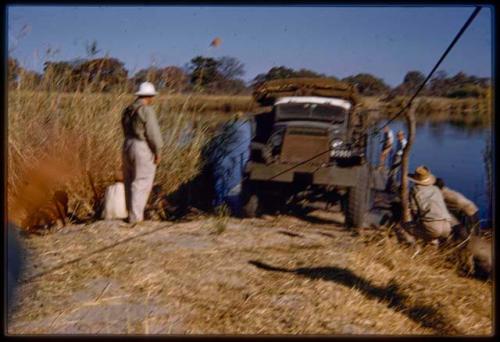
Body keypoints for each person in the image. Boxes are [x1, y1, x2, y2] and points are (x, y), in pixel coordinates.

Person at [121, 82, 163, 224]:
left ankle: (130, 213)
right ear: (150, 96)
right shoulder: (146, 110)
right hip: (141, 146)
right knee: (142, 181)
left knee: (129, 180)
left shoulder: (128, 109)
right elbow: (153, 133)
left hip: (127, 144)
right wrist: (158, 151)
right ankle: (136, 218)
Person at [407, 166, 453, 245]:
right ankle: (434, 244)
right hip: (447, 226)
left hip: (433, 227)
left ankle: (413, 250)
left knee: (405, 226)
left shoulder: (415, 190)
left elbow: (414, 210)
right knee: (429, 232)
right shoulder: (436, 189)